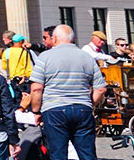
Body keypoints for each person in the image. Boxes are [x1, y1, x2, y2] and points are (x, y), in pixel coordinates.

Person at [31, 25, 107, 160]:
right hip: (82, 108)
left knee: (58, 154)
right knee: (87, 154)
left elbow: (36, 88)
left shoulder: (44, 57)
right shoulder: (87, 57)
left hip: (54, 109)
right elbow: (101, 89)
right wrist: (89, 103)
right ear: (73, 39)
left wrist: (36, 111)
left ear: (54, 39)